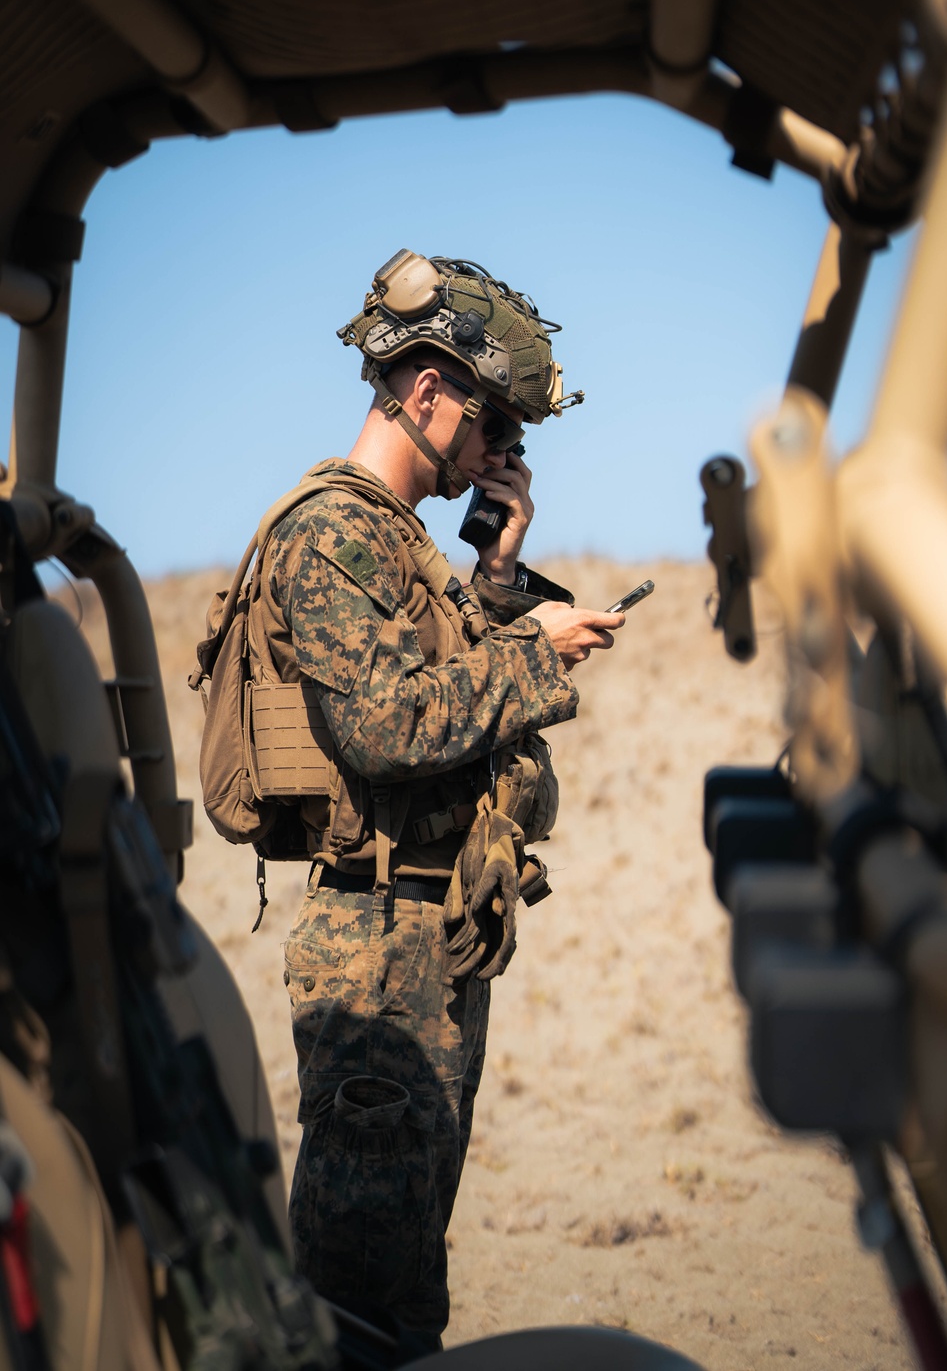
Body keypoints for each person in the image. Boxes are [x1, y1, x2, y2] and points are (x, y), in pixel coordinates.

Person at [265, 251, 623, 1352]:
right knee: (357, 1303)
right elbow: (387, 727)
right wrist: (531, 648)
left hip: (430, 941)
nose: (494, 457)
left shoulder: (401, 544)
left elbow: (432, 695)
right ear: (426, 393)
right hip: (373, 954)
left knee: (408, 1285)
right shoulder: (330, 532)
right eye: (492, 428)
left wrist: (499, 581)